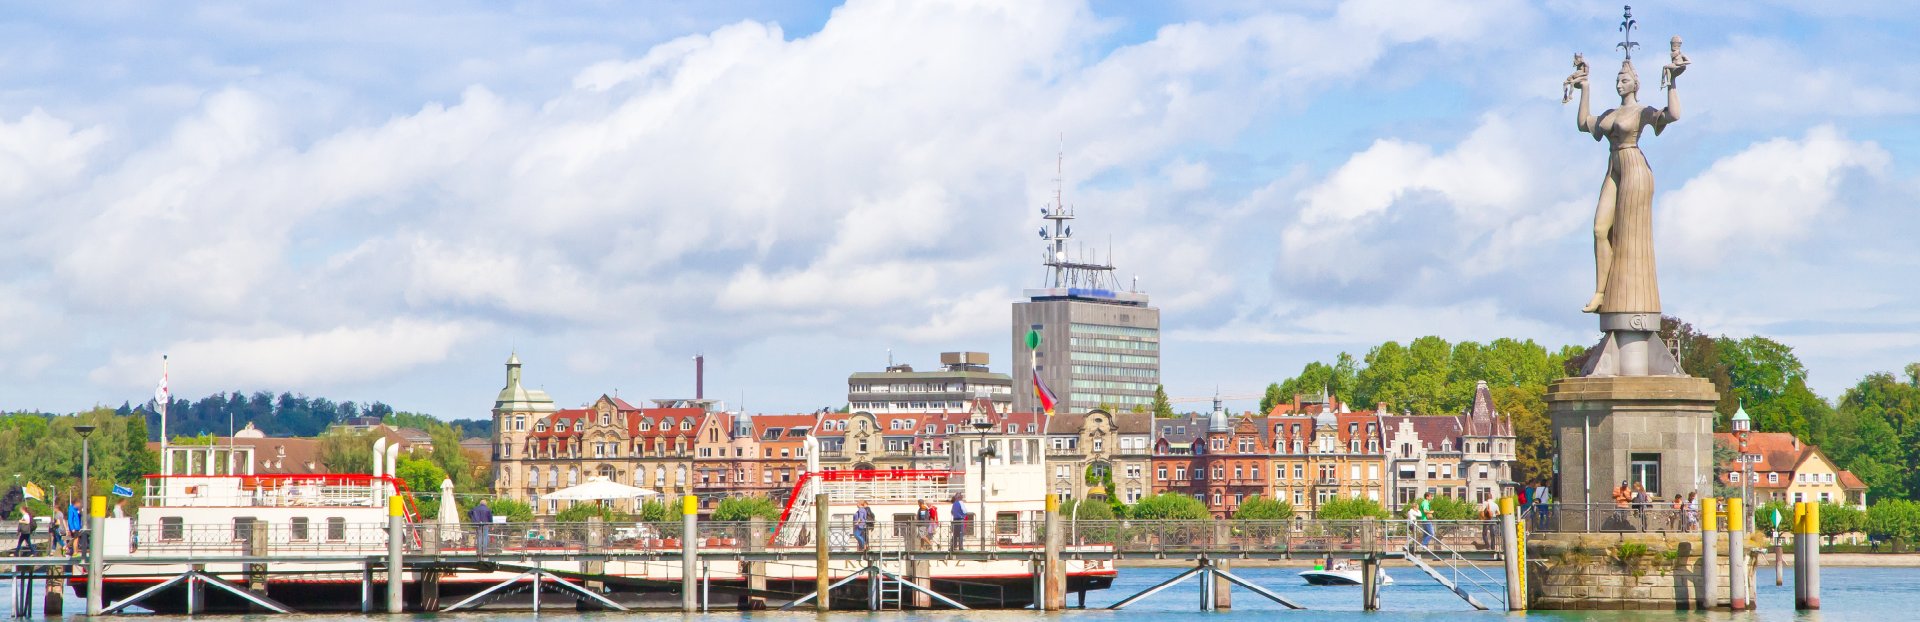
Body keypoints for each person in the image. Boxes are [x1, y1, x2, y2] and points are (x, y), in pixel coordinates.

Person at [1570, 53, 1682, 315]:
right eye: (1617, 80)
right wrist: (1585, 87)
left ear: (1635, 84)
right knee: (1600, 230)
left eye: (1624, 80)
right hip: (1614, 165)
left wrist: (1672, 83)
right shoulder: (1611, 113)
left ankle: (1629, 296)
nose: (1619, 84)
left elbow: (1673, 115)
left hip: (1634, 166)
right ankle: (1600, 293)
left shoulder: (1641, 111)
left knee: (1628, 234)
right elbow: (1583, 124)